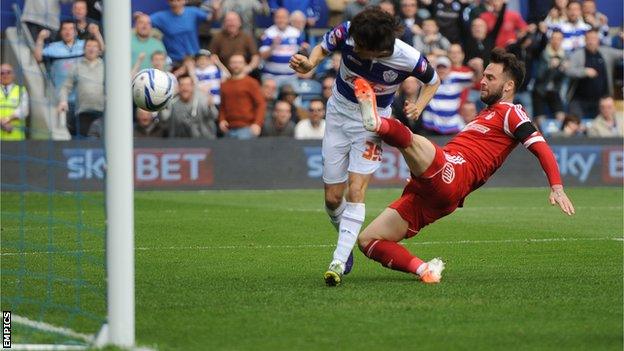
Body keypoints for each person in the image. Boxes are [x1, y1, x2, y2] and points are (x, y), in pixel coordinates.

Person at [322, 48, 574, 286]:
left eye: (490, 77)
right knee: (368, 240)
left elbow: (540, 146)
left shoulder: (512, 112)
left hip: (453, 174)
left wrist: (557, 186)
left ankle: (378, 121)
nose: (482, 81)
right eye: (483, 75)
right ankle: (426, 270)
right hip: (434, 196)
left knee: (413, 141)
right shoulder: (484, 114)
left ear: (508, 86)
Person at [289, 7, 440, 283]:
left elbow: (432, 80)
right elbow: (322, 49)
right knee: (333, 199)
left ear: (377, 49)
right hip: (337, 115)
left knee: (356, 190)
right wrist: (309, 64)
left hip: (373, 123)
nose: (356, 49)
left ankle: (338, 260)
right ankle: (345, 244)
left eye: (362, 48)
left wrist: (419, 105)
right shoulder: (347, 32)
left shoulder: (406, 57)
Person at [565, 30, 623, 119]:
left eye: (594, 39)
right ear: (585, 40)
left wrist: (622, 40)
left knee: (604, 127)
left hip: (601, 100)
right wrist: (584, 72)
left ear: (598, 40)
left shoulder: (606, 52)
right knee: (574, 124)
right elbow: (568, 71)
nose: (591, 41)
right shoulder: (578, 54)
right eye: (589, 39)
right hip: (579, 100)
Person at [58, 37, 105, 138]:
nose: (91, 49)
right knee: (86, 143)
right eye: (88, 46)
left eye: (94, 46)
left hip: (102, 113)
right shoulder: (76, 66)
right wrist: (63, 101)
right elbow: (65, 87)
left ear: (99, 50)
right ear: (84, 49)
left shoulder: (106, 66)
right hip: (83, 112)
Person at [219, 54, 266, 139]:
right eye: (234, 62)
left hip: (247, 128)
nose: (236, 65)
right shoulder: (224, 84)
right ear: (229, 65)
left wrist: (257, 124)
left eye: (239, 62)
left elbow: (261, 104)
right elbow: (223, 105)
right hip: (228, 128)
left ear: (245, 64)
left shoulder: (251, 83)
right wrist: (222, 119)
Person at [162, 74, 217, 138]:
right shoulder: (172, 102)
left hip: (203, 141)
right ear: (178, 87)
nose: (185, 88)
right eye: (182, 85)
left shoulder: (203, 99)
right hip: (179, 142)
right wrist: (163, 103)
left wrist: (210, 106)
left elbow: (214, 116)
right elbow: (163, 119)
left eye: (188, 85)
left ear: (193, 86)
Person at [259, 8, 303, 88]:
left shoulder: (296, 33)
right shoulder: (268, 33)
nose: (280, 20)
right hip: (271, 77)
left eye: (283, 17)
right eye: (278, 17)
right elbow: (262, 56)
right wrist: (273, 45)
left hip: (291, 76)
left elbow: (302, 53)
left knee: (293, 99)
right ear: (274, 19)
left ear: (288, 19)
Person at [0, 64, 29, 141]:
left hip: (16, 140)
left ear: (13, 75)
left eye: (8, 72)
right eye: (2, 73)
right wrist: (1, 123)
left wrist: (7, 119)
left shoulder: (21, 90)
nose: (5, 75)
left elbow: (24, 110)